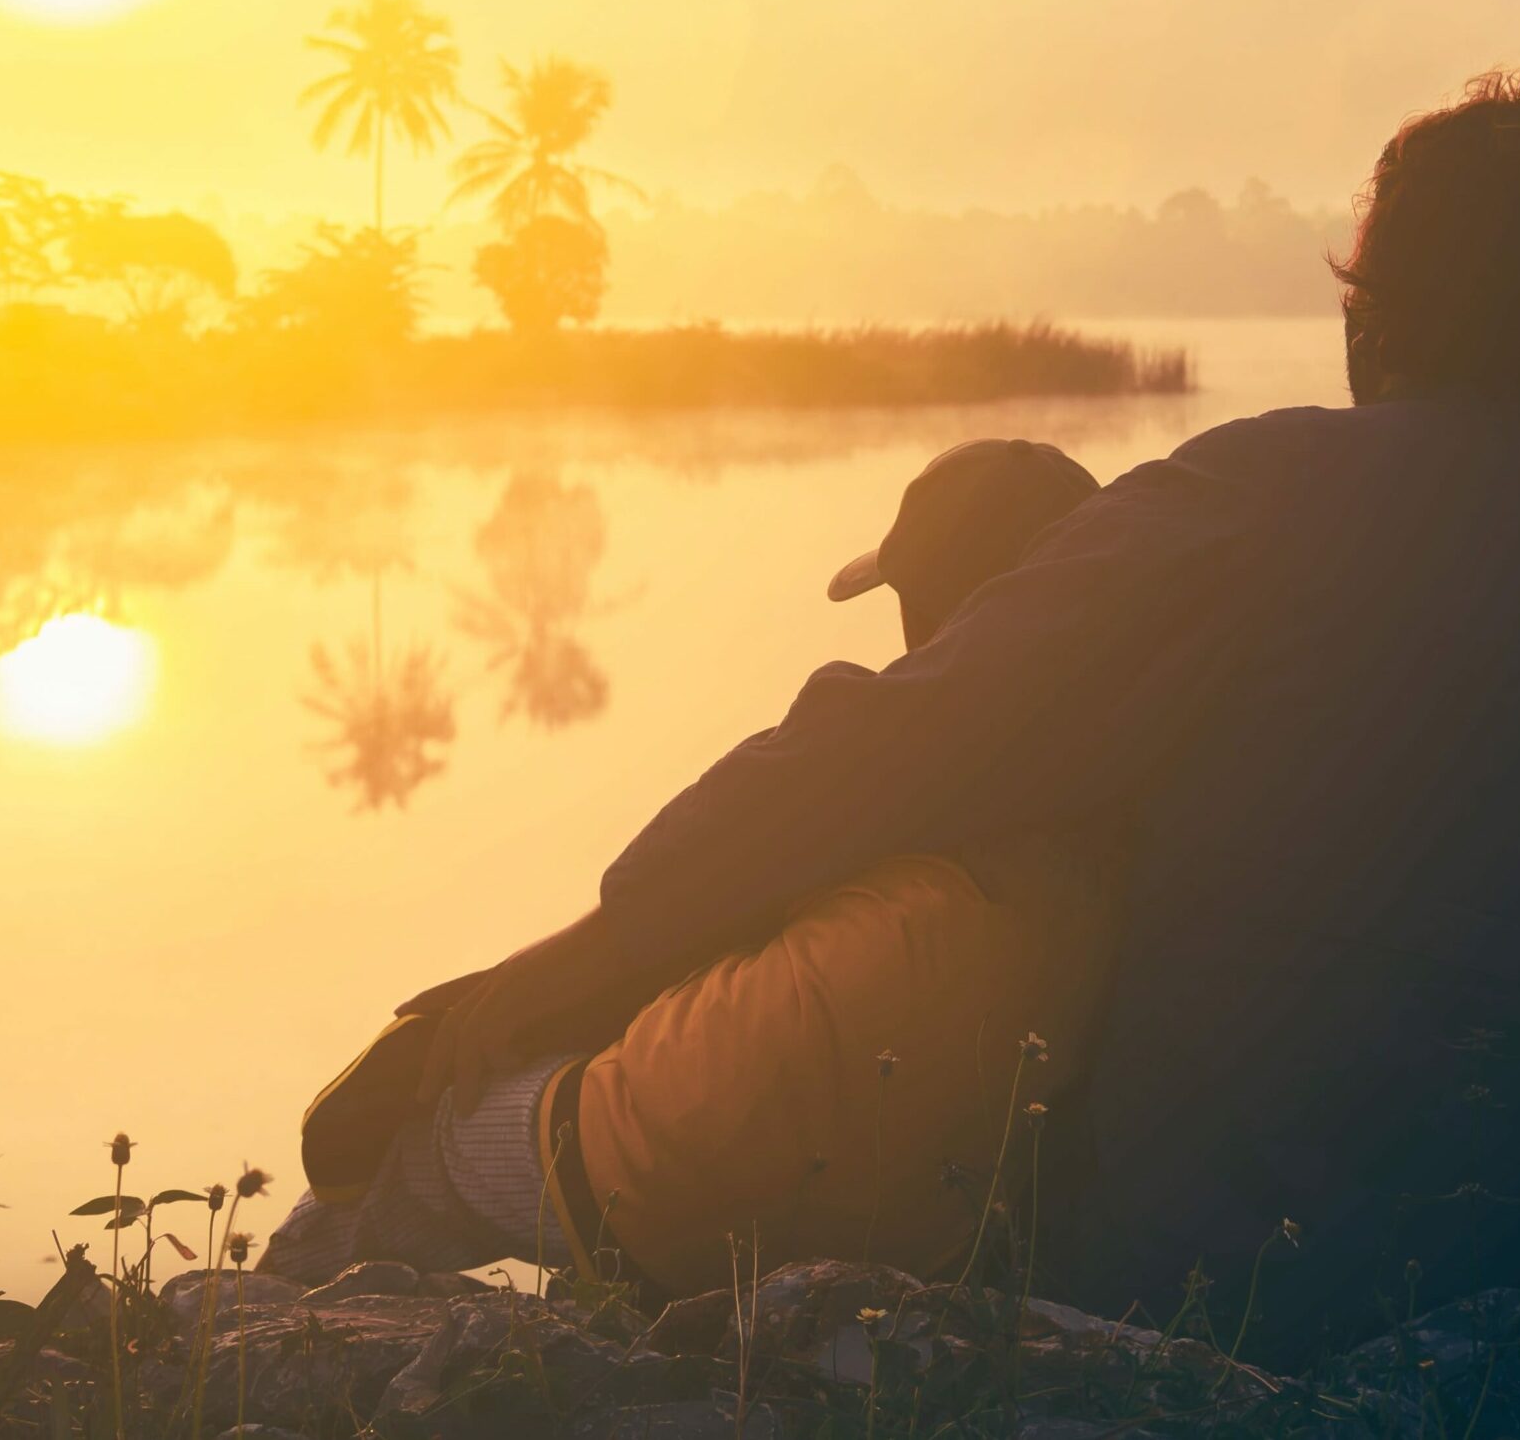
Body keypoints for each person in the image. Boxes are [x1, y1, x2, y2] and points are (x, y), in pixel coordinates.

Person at [387, 73, 1520, 1356]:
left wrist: (545, 974)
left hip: (1262, 1278)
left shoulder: (1267, 498)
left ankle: (299, 1288)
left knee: (478, 1107)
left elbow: (869, 763)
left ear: (1377, 313)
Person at [266, 437, 1120, 1294]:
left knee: (431, 1147)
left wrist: (515, 991)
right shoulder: (1122, 767)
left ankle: (245, 1323)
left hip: (704, 1124)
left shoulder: (903, 729)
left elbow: (718, 845)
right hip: (932, 1183)